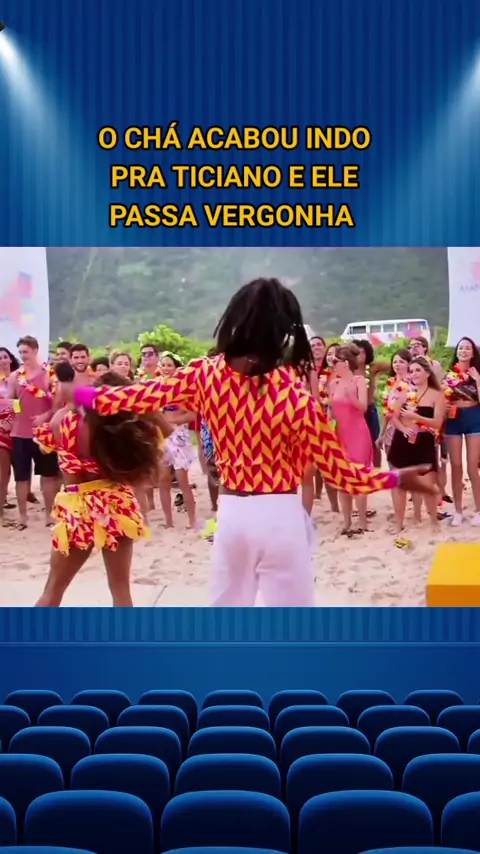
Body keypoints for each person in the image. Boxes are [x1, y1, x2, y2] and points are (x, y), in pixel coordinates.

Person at [71, 278, 437, 608]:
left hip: (232, 513)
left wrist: (75, 394)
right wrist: (397, 478)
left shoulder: (205, 374)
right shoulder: (295, 395)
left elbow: (123, 398)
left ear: (235, 321)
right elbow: (345, 476)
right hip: (281, 515)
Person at [33, 365, 173, 607]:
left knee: (53, 590)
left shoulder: (62, 420)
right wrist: (143, 405)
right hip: (114, 503)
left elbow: (54, 447)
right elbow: (167, 431)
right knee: (121, 591)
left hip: (77, 504)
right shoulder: (118, 431)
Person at [388, 356, 446, 536]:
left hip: (424, 441)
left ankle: (433, 520)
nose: (413, 374)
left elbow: (437, 423)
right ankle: (399, 523)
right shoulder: (403, 391)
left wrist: (417, 417)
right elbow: (393, 416)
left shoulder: (437, 394)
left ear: (427, 373)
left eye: (418, 370)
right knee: (398, 484)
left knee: (427, 484)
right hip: (402, 440)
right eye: (411, 371)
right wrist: (404, 429)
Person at [7, 336, 60, 529]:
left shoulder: (49, 374)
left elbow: (57, 403)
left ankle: (49, 515)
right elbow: (12, 401)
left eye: (26, 352)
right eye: (20, 352)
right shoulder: (15, 376)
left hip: (43, 434)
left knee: (48, 475)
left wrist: (45, 416)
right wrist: (18, 415)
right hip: (20, 434)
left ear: (36, 351)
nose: (23, 356)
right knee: (21, 477)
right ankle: (23, 516)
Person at [330, 345, 373, 535]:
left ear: (345, 363)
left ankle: (362, 521)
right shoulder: (333, 383)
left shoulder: (359, 380)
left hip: (358, 433)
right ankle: (346, 521)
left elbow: (363, 407)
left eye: (335, 361)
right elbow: (332, 410)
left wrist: (352, 397)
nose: (332, 364)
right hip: (340, 433)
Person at [443, 336, 480, 527]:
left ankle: (479, 510)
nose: (463, 351)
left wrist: (478, 379)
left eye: (467, 348)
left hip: (474, 416)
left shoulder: (477, 373)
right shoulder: (448, 375)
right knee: (456, 466)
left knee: (472, 467)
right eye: (460, 348)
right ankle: (458, 510)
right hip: (454, 420)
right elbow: (441, 399)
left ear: (473, 353)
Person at [0, 347, 19, 522]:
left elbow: (19, 404)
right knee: (2, 469)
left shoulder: (18, 379)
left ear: (10, 359)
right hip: (0, 430)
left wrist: (12, 420)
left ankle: (4, 497)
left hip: (17, 427)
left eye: (5, 357)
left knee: (10, 471)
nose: (2, 360)